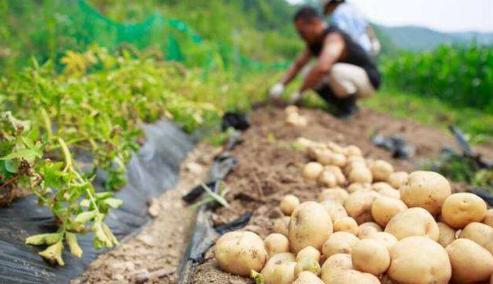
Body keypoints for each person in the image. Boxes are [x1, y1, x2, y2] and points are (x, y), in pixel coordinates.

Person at [269, 6, 381, 118]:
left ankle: (349, 108)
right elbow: (298, 64)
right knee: (307, 72)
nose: (301, 36)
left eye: (302, 32)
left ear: (315, 23)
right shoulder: (314, 43)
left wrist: (299, 92)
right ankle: (339, 106)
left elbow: (323, 67)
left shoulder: (334, 37)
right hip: (350, 79)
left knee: (335, 71)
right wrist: (280, 85)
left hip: (368, 80)